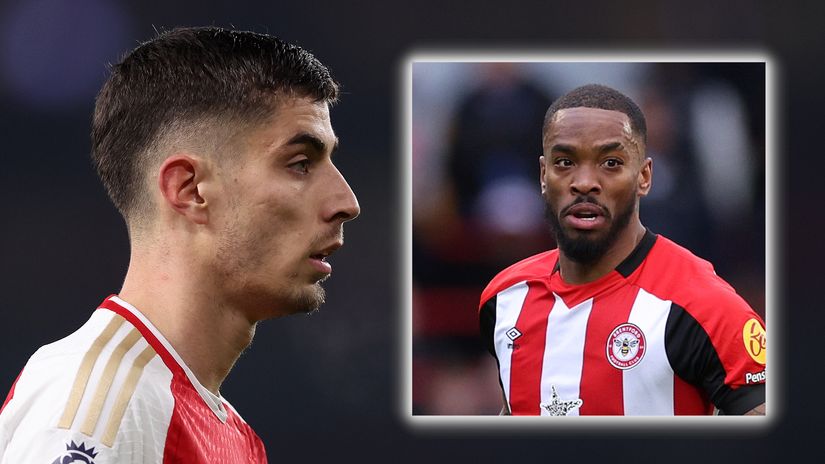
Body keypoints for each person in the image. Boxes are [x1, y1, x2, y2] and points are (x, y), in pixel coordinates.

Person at [0, 26, 359, 461]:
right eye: (300, 164)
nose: (347, 202)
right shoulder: (105, 409)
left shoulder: (207, 421)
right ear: (190, 190)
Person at [478, 84, 765, 416]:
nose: (584, 182)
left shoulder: (703, 306)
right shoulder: (504, 299)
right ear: (544, 175)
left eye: (611, 163)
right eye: (565, 162)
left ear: (644, 177)